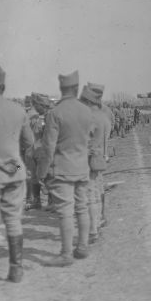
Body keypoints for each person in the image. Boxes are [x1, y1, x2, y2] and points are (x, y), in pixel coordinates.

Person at [0, 65, 34, 287]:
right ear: (3, 86)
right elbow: (30, 142)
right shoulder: (19, 110)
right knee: (13, 220)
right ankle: (16, 270)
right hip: (15, 171)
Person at [36, 70, 95, 266]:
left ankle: (66, 254)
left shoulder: (55, 113)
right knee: (82, 208)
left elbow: (48, 147)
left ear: (61, 88)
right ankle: (83, 247)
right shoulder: (87, 111)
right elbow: (89, 138)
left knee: (65, 212)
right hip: (82, 167)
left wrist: (41, 173)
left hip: (62, 169)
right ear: (76, 88)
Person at [79, 86, 109, 243]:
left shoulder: (89, 118)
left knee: (89, 196)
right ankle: (96, 224)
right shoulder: (103, 116)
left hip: (88, 160)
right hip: (99, 159)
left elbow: (83, 141)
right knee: (97, 194)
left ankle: (92, 231)